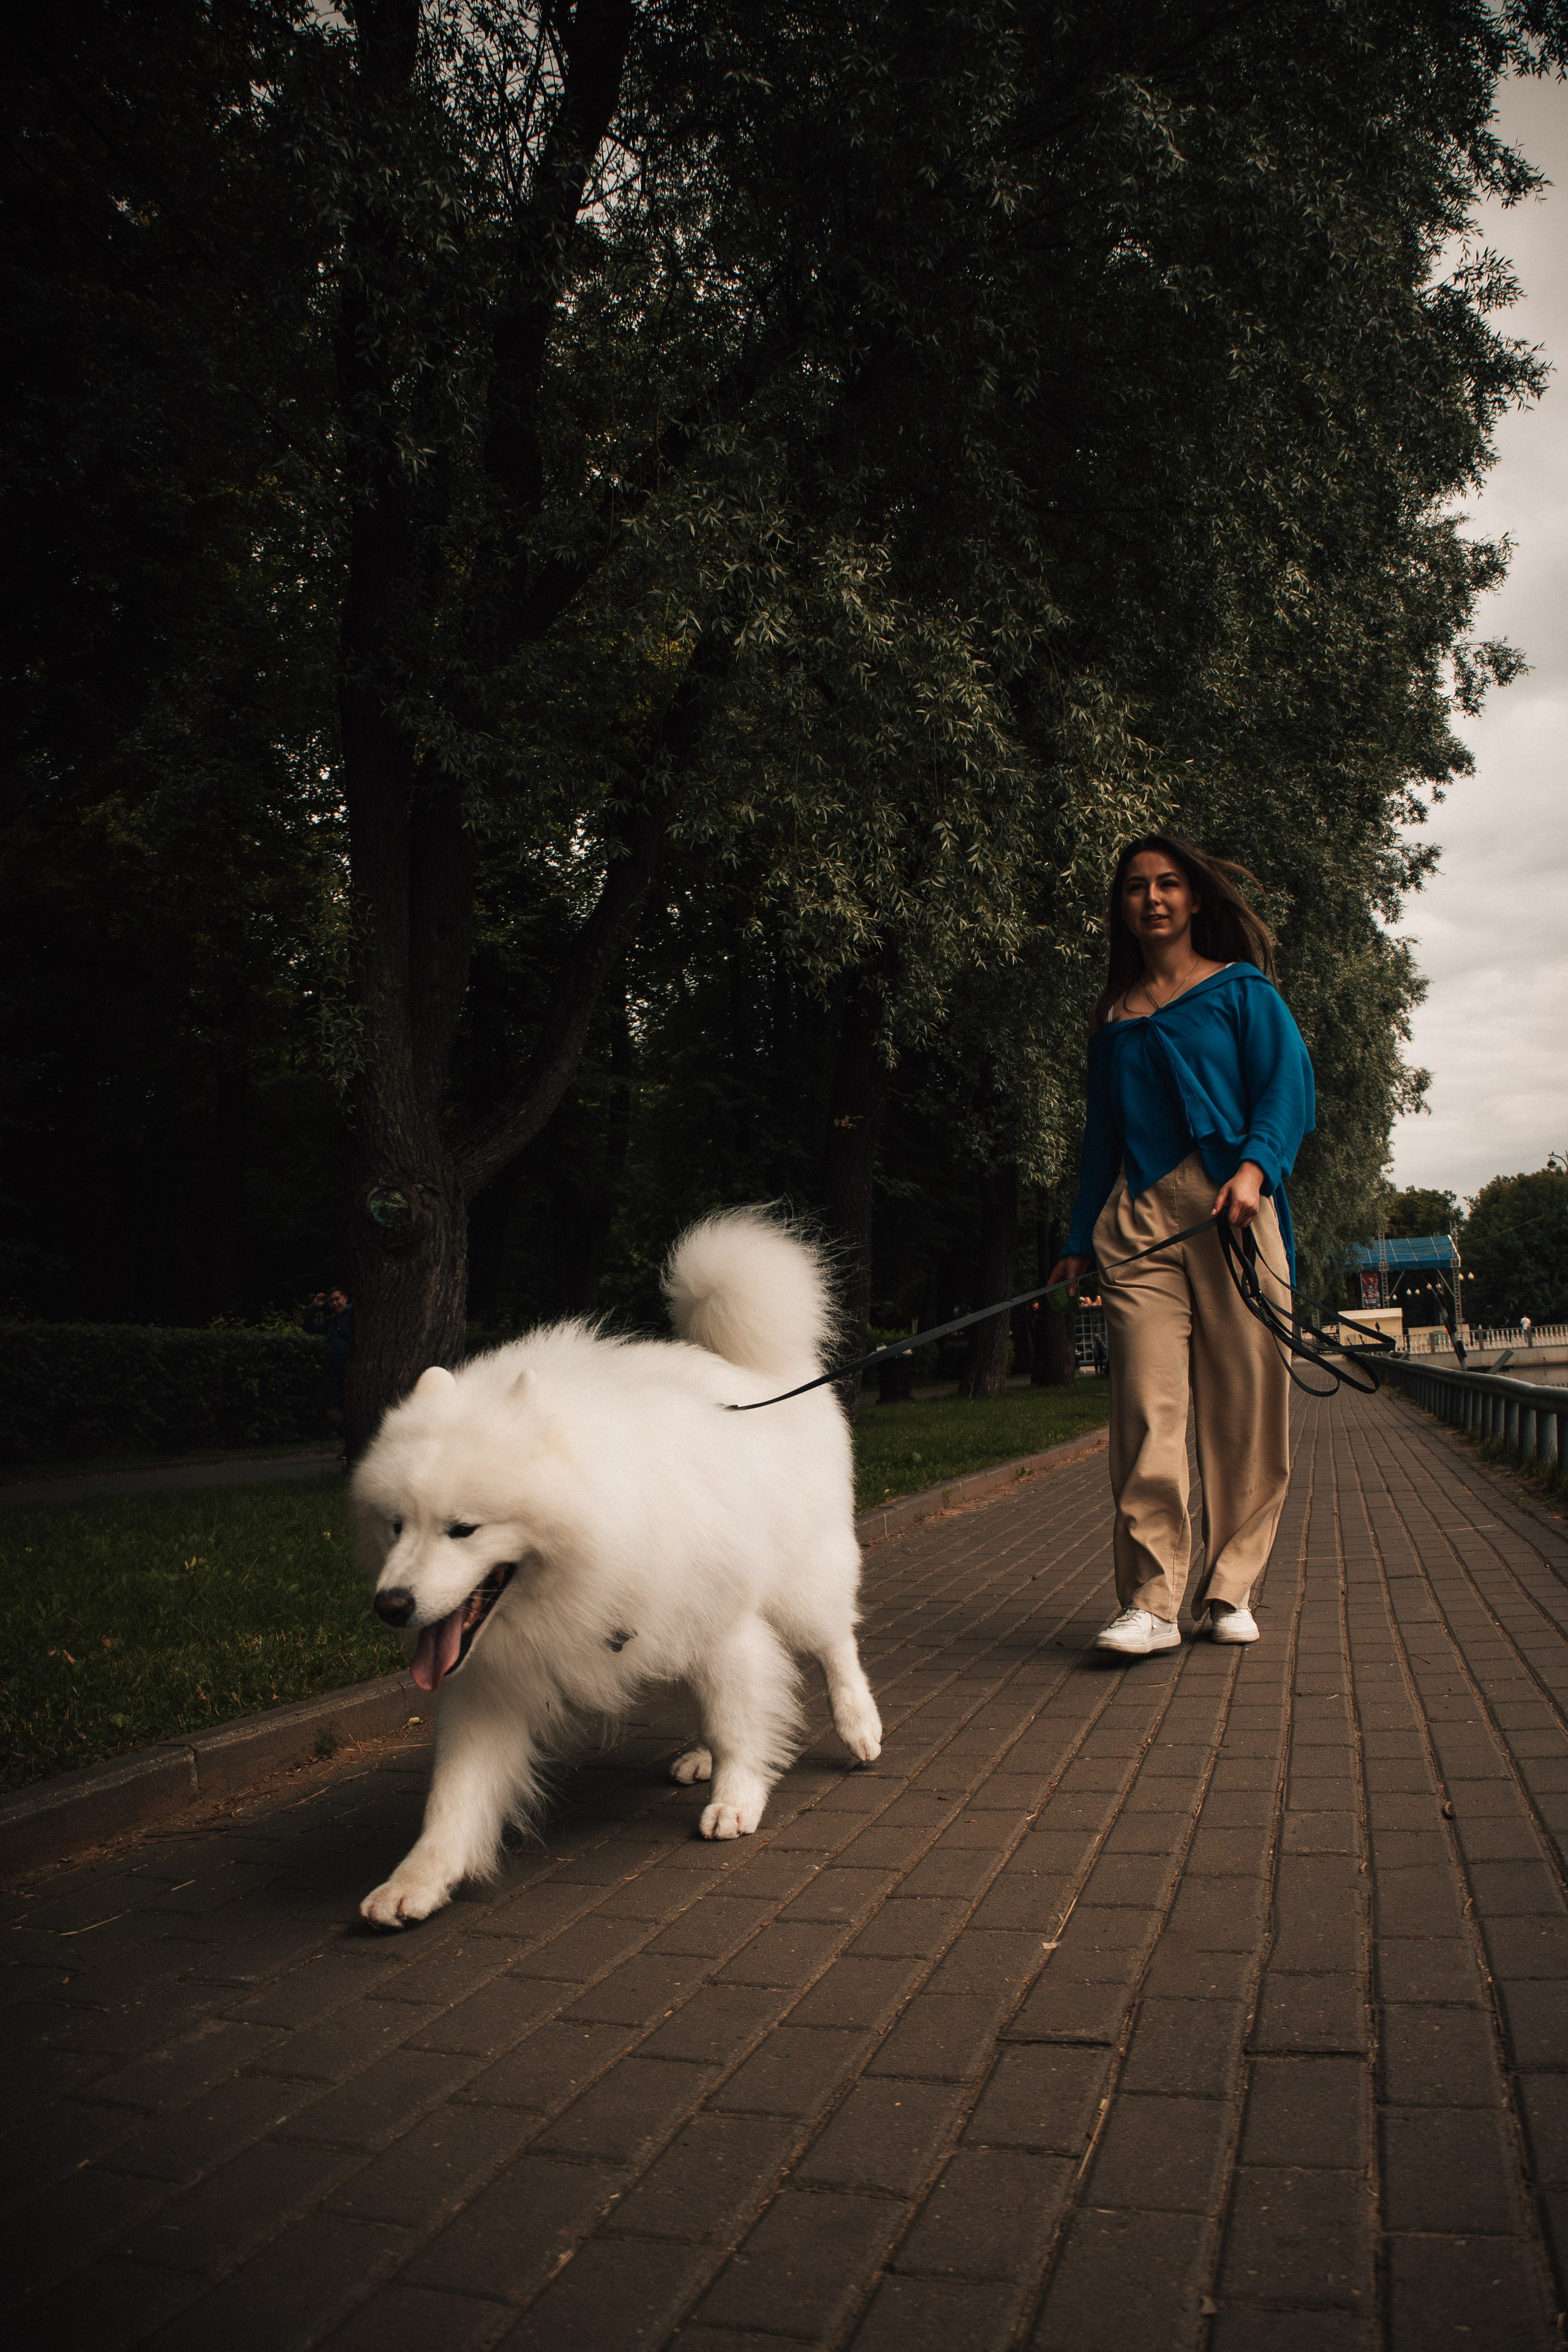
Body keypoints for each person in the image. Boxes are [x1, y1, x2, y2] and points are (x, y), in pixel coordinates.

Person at [1046, 835, 1314, 1657]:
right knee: (1146, 1410)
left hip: (1236, 1212)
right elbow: (1103, 1140)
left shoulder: (1242, 993)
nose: (1153, 898)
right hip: (1139, 1225)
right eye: (1136, 888)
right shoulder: (1114, 1017)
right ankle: (1153, 1603)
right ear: (1121, 907)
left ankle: (1229, 1590)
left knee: (1244, 1409)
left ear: (1195, 900)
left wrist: (1255, 1170)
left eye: (1169, 885)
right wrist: (1077, 1236)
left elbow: (1288, 1085)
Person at [305, 1286, 352, 1436]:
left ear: (345, 1298)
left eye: (337, 1299)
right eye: (331, 1301)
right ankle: (347, 1445)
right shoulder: (331, 1321)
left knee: (352, 1410)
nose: (334, 1303)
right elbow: (309, 1327)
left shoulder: (354, 1315)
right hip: (334, 1373)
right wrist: (315, 1307)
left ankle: (352, 1446)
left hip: (350, 1371)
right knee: (334, 1411)